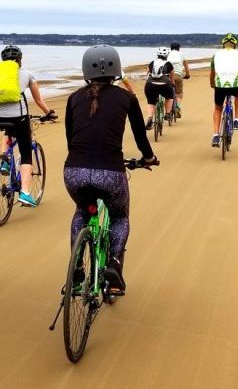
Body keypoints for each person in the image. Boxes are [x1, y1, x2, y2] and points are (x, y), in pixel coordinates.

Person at [64, 44, 158, 293]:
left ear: (86, 71)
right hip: (111, 173)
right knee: (119, 217)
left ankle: (75, 271)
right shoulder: (127, 98)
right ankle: (114, 265)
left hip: (75, 171)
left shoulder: (74, 98)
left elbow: (70, 138)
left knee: (82, 211)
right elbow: (140, 137)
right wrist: (148, 158)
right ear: (116, 71)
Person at [0, 45, 58, 207]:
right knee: (26, 152)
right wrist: (49, 113)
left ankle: (4, 160)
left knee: (8, 130)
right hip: (19, 117)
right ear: (19, 59)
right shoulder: (27, 74)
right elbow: (38, 100)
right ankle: (25, 193)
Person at [210, 33, 238, 147]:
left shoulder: (216, 55)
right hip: (234, 85)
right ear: (235, 45)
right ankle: (236, 119)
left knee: (218, 108)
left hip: (220, 86)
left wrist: (212, 84)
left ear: (223, 44)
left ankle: (216, 135)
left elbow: (212, 73)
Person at [143, 46, 176, 129]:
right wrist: (172, 83)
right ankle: (168, 114)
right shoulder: (168, 64)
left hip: (150, 85)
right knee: (169, 97)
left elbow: (147, 73)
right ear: (167, 55)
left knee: (151, 102)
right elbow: (172, 74)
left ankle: (150, 119)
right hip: (164, 84)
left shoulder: (152, 62)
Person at [168, 42, 191, 118]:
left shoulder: (168, 54)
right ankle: (177, 106)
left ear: (171, 48)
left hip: (168, 76)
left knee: (167, 93)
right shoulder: (181, 55)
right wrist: (187, 75)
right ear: (179, 48)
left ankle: (168, 109)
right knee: (179, 93)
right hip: (178, 76)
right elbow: (186, 66)